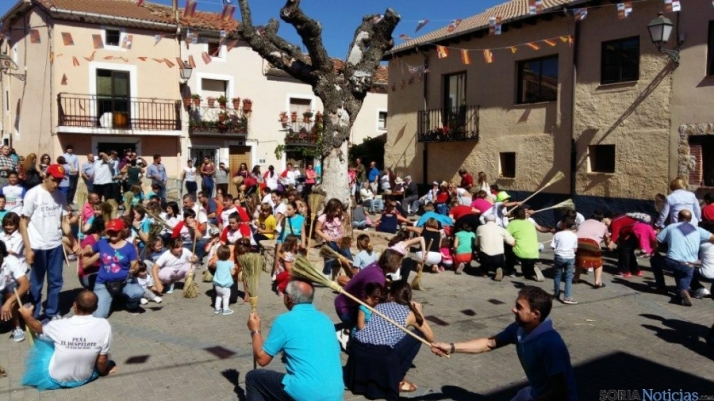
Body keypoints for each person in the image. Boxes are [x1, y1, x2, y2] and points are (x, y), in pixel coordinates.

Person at [431, 286, 577, 401]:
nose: (513, 309)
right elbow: (489, 343)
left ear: (536, 314)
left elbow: (560, 391)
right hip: (535, 393)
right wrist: (451, 347)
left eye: (519, 307)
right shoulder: (518, 328)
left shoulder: (550, 344)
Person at [246, 276, 344, 401]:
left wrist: (255, 330)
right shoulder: (326, 319)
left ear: (289, 298)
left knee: (253, 378)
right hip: (335, 393)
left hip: (308, 394)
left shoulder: (284, 321)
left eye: (284, 293)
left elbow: (262, 359)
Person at [345, 282, 435, 398]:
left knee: (393, 336)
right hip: (379, 354)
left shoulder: (379, 306)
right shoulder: (410, 314)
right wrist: (419, 313)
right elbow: (431, 337)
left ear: (391, 295)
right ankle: (399, 379)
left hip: (357, 350)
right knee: (418, 334)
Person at [19, 290, 117, 390]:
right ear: (96, 308)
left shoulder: (57, 325)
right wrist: (103, 372)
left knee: (47, 340)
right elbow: (102, 359)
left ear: (74, 305)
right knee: (105, 356)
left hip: (55, 379)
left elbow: (37, 328)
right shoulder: (104, 325)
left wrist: (27, 316)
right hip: (85, 378)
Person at [20, 164, 79, 319]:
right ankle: (33, 313)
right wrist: (28, 249)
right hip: (37, 246)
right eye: (53, 180)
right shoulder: (33, 194)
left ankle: (51, 312)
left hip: (55, 246)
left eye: (59, 181)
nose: (56, 184)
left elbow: (65, 223)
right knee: (36, 284)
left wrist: (73, 242)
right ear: (45, 176)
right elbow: (23, 223)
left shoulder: (60, 196)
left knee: (56, 281)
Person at [651, 209, 714, 306]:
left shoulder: (671, 227)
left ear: (678, 217)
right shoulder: (698, 229)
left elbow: (656, 241)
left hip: (671, 262)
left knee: (654, 260)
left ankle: (661, 287)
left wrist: (656, 252)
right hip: (689, 265)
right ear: (690, 219)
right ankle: (683, 291)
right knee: (683, 276)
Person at [89, 219, 143, 317]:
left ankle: (131, 305)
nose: (112, 233)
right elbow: (88, 250)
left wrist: (134, 269)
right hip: (103, 284)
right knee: (99, 316)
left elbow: (135, 265)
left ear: (122, 231)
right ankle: (110, 298)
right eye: (110, 231)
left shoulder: (129, 247)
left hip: (124, 283)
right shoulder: (102, 243)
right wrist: (80, 251)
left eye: (115, 231)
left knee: (138, 292)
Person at [0, 239, 30, 342]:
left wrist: (8, 302)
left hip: (13, 290)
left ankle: (17, 327)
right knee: (2, 324)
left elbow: (25, 284)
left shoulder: (11, 261)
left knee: (10, 292)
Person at [574, 211, 610, 288]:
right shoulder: (603, 225)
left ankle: (576, 278)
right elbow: (606, 238)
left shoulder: (583, 223)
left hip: (577, 242)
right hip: (592, 243)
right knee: (598, 262)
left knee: (579, 259)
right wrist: (609, 246)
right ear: (601, 219)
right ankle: (597, 282)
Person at [505, 207, 543, 281]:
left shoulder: (512, 224)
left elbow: (506, 236)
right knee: (526, 265)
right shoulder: (530, 223)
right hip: (534, 252)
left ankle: (511, 270)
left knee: (507, 245)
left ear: (515, 215)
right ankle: (531, 271)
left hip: (520, 252)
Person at [476, 214, 515, 281]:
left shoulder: (480, 228)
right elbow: (512, 243)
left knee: (483, 259)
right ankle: (499, 268)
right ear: (495, 221)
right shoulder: (501, 229)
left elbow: (477, 243)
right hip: (498, 256)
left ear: (485, 220)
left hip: (485, 256)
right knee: (499, 262)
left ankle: (484, 272)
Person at [551, 217, 578, 305]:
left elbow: (553, 246)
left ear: (564, 224)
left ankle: (556, 293)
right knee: (568, 277)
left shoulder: (557, 234)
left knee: (557, 275)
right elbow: (575, 249)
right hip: (570, 257)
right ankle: (567, 297)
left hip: (559, 256)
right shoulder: (574, 236)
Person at [212, 244, 236, 315]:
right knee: (226, 297)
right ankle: (225, 309)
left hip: (217, 284)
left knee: (218, 296)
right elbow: (233, 273)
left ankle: (217, 308)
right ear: (228, 254)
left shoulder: (217, 262)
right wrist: (234, 268)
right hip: (225, 285)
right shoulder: (230, 263)